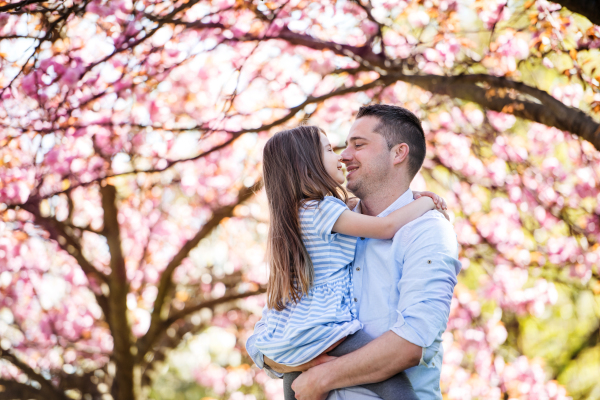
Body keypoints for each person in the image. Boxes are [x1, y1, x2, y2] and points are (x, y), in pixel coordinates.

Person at [253, 104, 461, 400]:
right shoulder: (323, 231)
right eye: (339, 147)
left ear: (398, 153)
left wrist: (321, 375)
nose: (343, 155)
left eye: (358, 145)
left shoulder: (426, 232)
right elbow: (266, 341)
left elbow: (411, 344)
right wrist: (303, 355)